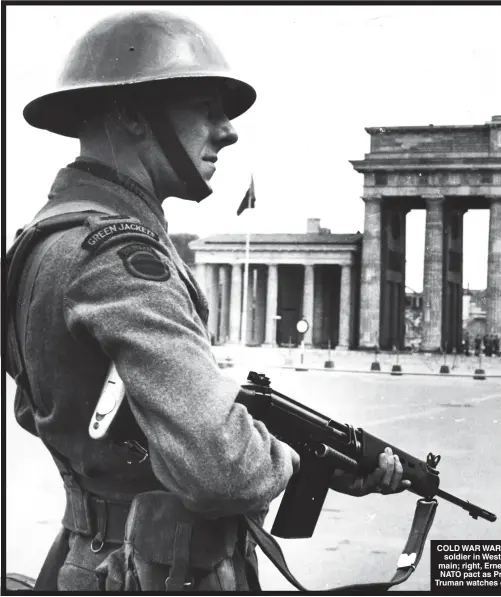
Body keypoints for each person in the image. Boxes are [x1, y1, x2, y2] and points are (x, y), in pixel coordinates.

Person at [6, 10, 405, 591]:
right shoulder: (119, 258)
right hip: (157, 574)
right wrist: (302, 459)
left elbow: (42, 412)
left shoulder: (45, 239)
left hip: (92, 554)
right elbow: (223, 468)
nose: (228, 130)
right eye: (207, 107)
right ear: (133, 114)